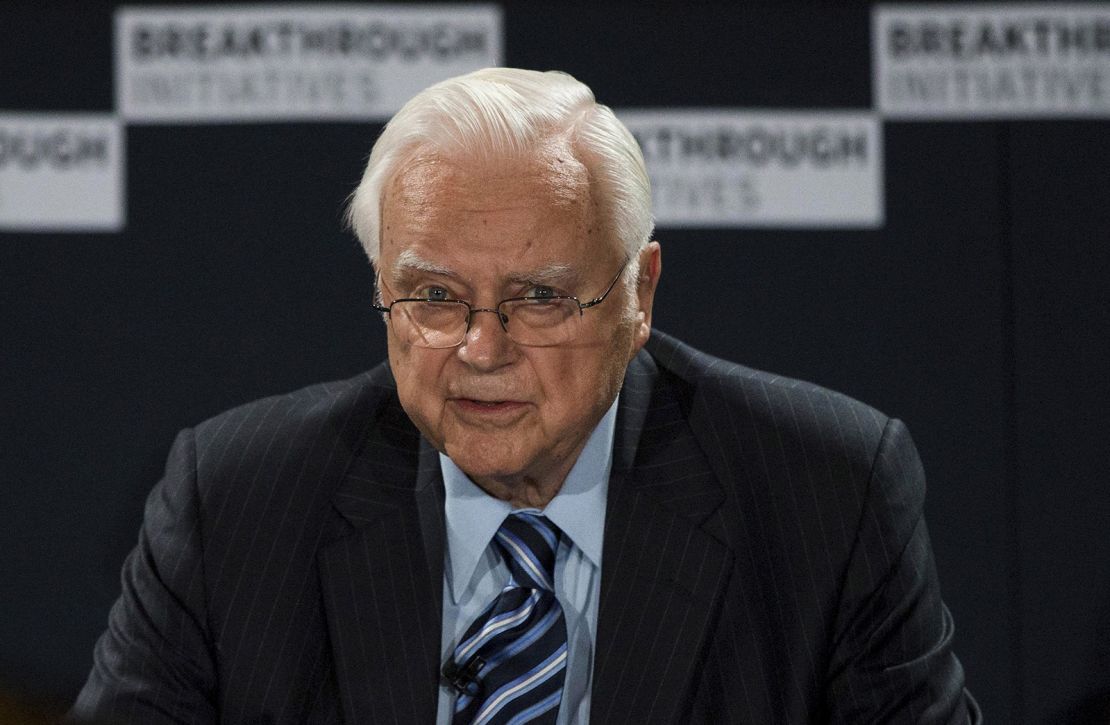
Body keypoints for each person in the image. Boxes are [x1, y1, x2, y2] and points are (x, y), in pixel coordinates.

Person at [73, 68, 979, 724]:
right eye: (433, 297)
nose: (481, 348)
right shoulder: (237, 502)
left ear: (640, 294)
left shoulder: (825, 491)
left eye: (539, 297)